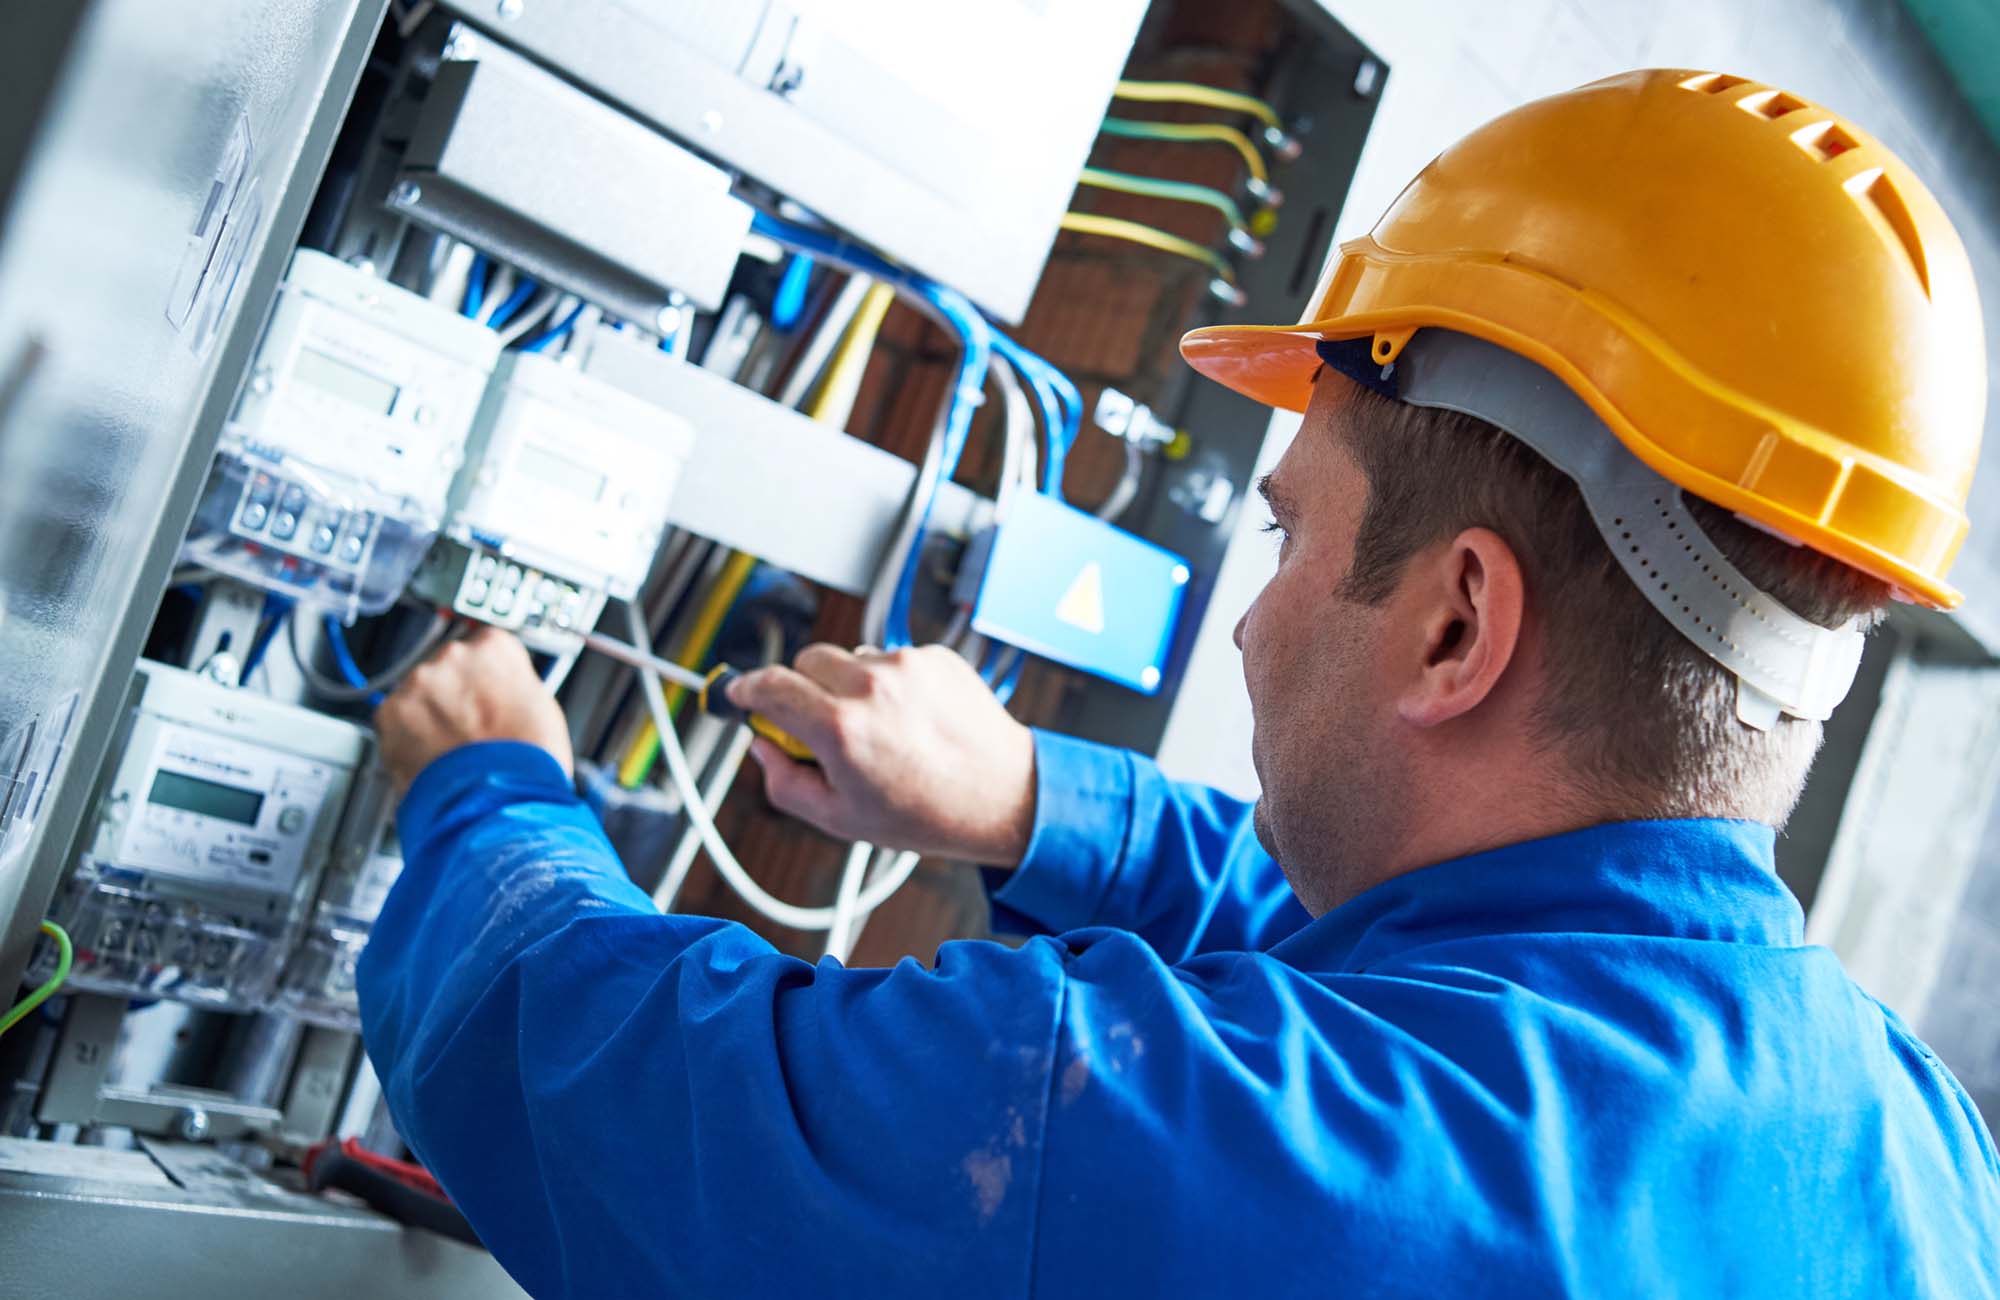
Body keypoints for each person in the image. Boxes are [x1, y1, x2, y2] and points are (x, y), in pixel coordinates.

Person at [358, 70, 2000, 1298]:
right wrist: (1031, 806)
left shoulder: (1168, 1146)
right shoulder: (1929, 1163)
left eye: (1287, 535)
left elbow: (620, 1087)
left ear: (1456, 628)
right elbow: (1430, 991)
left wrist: (488, 785)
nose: (1249, 623)